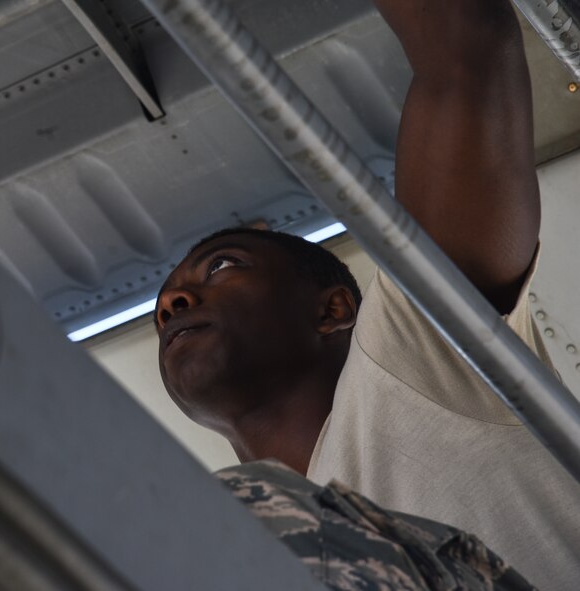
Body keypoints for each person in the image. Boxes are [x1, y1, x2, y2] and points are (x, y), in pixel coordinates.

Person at [154, 1, 580, 589]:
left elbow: (464, 47)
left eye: (221, 267)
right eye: (161, 311)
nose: (173, 304)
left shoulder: (410, 356)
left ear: (333, 310)